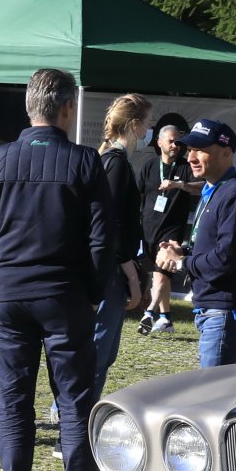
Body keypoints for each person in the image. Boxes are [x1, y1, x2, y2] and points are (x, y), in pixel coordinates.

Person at [0, 68, 112, 471]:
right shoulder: (85, 161)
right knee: (75, 400)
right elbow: (102, 240)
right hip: (64, 293)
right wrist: (93, 293)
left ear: (29, 108)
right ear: (67, 108)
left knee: (13, 400)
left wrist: (6, 250)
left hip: (7, 292)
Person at [155, 119, 236, 367]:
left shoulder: (235, 194)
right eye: (190, 149)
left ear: (226, 152)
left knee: (215, 389)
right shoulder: (213, 189)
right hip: (211, 309)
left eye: (201, 150)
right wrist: (182, 250)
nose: (191, 157)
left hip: (223, 311)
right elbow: (213, 246)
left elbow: (226, 259)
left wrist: (182, 262)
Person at [93, 94, 149, 396]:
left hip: (110, 268)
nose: (149, 131)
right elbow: (110, 224)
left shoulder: (112, 161)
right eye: (148, 124)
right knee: (97, 354)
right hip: (110, 271)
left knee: (104, 353)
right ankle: (71, 416)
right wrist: (132, 276)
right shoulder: (114, 163)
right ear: (135, 125)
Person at [136, 112, 202, 335]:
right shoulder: (149, 166)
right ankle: (166, 319)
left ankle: (149, 313)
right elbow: (139, 195)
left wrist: (180, 185)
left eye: (178, 142)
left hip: (171, 230)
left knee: (161, 272)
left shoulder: (185, 167)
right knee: (158, 274)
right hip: (149, 229)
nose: (175, 145)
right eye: (171, 141)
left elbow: (203, 186)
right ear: (160, 143)